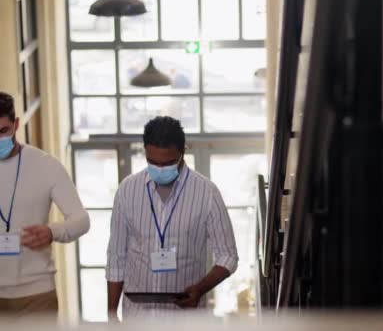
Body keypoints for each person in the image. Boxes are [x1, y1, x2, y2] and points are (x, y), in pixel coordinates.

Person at [106, 116, 238, 320]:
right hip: (138, 319)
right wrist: (112, 315)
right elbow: (116, 258)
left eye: (167, 163)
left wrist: (200, 289)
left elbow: (228, 256)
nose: (159, 169)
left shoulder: (207, 193)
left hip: (186, 318)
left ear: (182, 152)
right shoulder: (127, 190)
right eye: (152, 162)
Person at [0, 92, 90, 317]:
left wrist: (52, 232)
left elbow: (82, 220)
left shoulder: (45, 165)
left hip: (37, 293)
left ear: (16, 124)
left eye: (3, 131)